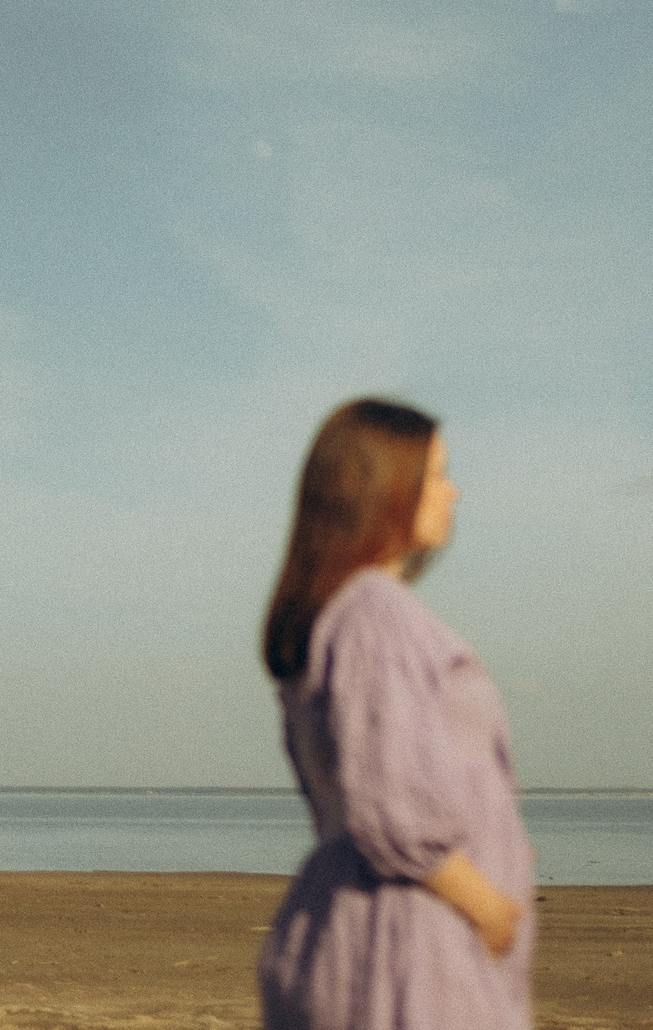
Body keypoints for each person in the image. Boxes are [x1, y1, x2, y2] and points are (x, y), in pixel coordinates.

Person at [256, 398, 535, 1030]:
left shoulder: (346, 617)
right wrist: (487, 904)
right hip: (408, 950)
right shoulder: (376, 617)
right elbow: (390, 811)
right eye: (436, 474)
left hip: (389, 940)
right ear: (386, 490)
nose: (452, 491)